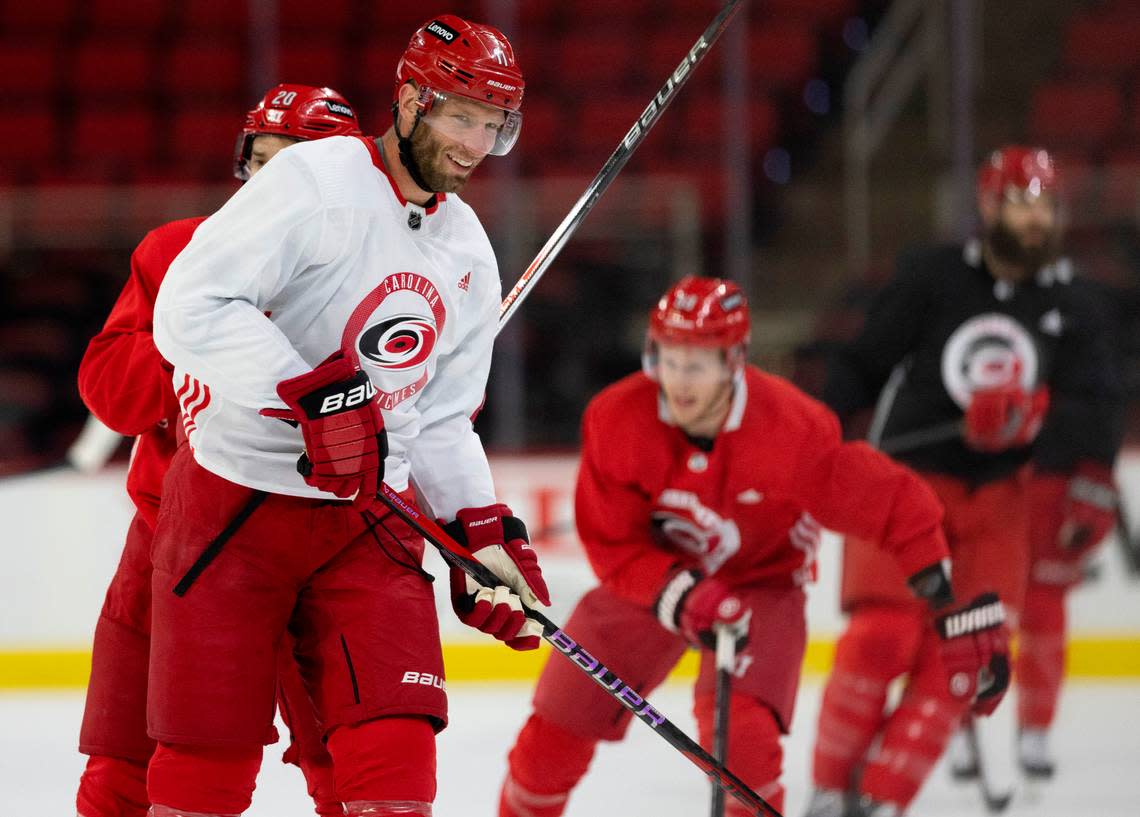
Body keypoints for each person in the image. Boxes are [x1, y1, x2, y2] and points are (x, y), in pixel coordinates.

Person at [147, 15, 547, 817]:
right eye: (460, 116)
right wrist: (318, 394)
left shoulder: (467, 247)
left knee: (396, 768)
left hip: (370, 521)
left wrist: (484, 528)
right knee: (203, 778)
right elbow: (187, 308)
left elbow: (438, 421)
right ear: (409, 101)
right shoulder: (317, 181)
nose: (475, 142)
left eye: (492, 124)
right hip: (236, 510)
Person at [496, 276, 1009, 817]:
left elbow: (895, 505)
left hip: (762, 584)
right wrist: (679, 593)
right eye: (668, 360)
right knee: (556, 728)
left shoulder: (793, 430)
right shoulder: (616, 419)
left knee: (741, 746)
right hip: (651, 582)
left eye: (696, 364)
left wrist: (946, 603)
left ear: (734, 360)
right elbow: (614, 546)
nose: (679, 381)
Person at [804, 146, 1121, 817]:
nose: (1034, 219)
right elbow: (861, 364)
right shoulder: (933, 276)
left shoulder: (1075, 303)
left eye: (1044, 205)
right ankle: (830, 791)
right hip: (905, 488)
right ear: (988, 205)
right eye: (1020, 202)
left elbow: (1097, 405)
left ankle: (885, 799)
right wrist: (813, 438)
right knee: (881, 637)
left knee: (968, 654)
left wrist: (1071, 460)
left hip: (999, 503)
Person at [75, 83, 364, 817]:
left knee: (347, 768)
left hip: (317, 541)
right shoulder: (176, 254)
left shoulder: (372, 278)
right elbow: (112, 394)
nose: (271, 185)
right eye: (261, 162)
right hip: (171, 545)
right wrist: (201, 333)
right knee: (123, 774)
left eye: (295, 168)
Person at [950, 275, 1124, 781]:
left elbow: (1104, 404)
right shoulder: (972, 304)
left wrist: (1093, 478)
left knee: (1042, 615)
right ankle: (957, 726)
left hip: (1050, 483)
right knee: (973, 614)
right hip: (989, 481)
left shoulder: (1080, 312)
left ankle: (1035, 730)